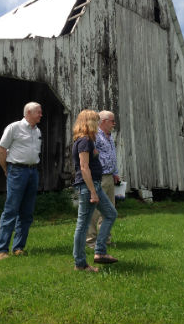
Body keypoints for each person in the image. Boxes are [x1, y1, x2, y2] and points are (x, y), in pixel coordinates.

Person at [0, 102, 43, 260]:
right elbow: (1, 150)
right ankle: (0, 250)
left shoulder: (37, 131)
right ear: (28, 112)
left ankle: (18, 247)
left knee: (27, 212)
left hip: (33, 171)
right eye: (38, 112)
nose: (41, 115)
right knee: (11, 210)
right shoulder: (13, 127)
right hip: (17, 171)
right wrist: (5, 169)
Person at [72, 109, 118, 272]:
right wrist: (92, 191)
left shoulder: (88, 141)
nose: (98, 124)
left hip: (95, 185)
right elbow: (84, 168)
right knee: (83, 225)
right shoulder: (84, 141)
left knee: (111, 214)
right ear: (89, 122)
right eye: (96, 121)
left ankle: (100, 252)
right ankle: (80, 264)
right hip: (89, 187)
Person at [86, 110, 120, 248]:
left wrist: (115, 172)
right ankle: (91, 241)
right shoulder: (95, 137)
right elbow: (89, 157)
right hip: (99, 177)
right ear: (104, 121)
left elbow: (112, 155)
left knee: (109, 210)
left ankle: (105, 240)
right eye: (112, 121)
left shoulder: (109, 136)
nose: (114, 124)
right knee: (94, 211)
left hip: (109, 177)